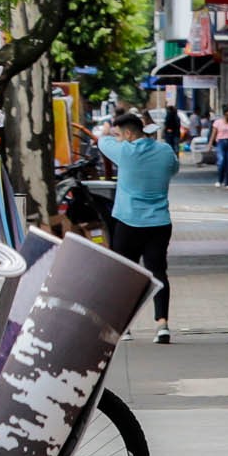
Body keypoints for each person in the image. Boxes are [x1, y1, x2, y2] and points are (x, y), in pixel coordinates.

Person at [97, 108, 180, 344]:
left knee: (125, 274)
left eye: (120, 135)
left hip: (128, 222)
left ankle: (125, 327)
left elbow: (102, 141)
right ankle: (162, 325)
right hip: (159, 223)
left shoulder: (125, 151)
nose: (119, 139)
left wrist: (106, 130)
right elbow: (173, 169)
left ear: (128, 134)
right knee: (158, 272)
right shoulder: (165, 151)